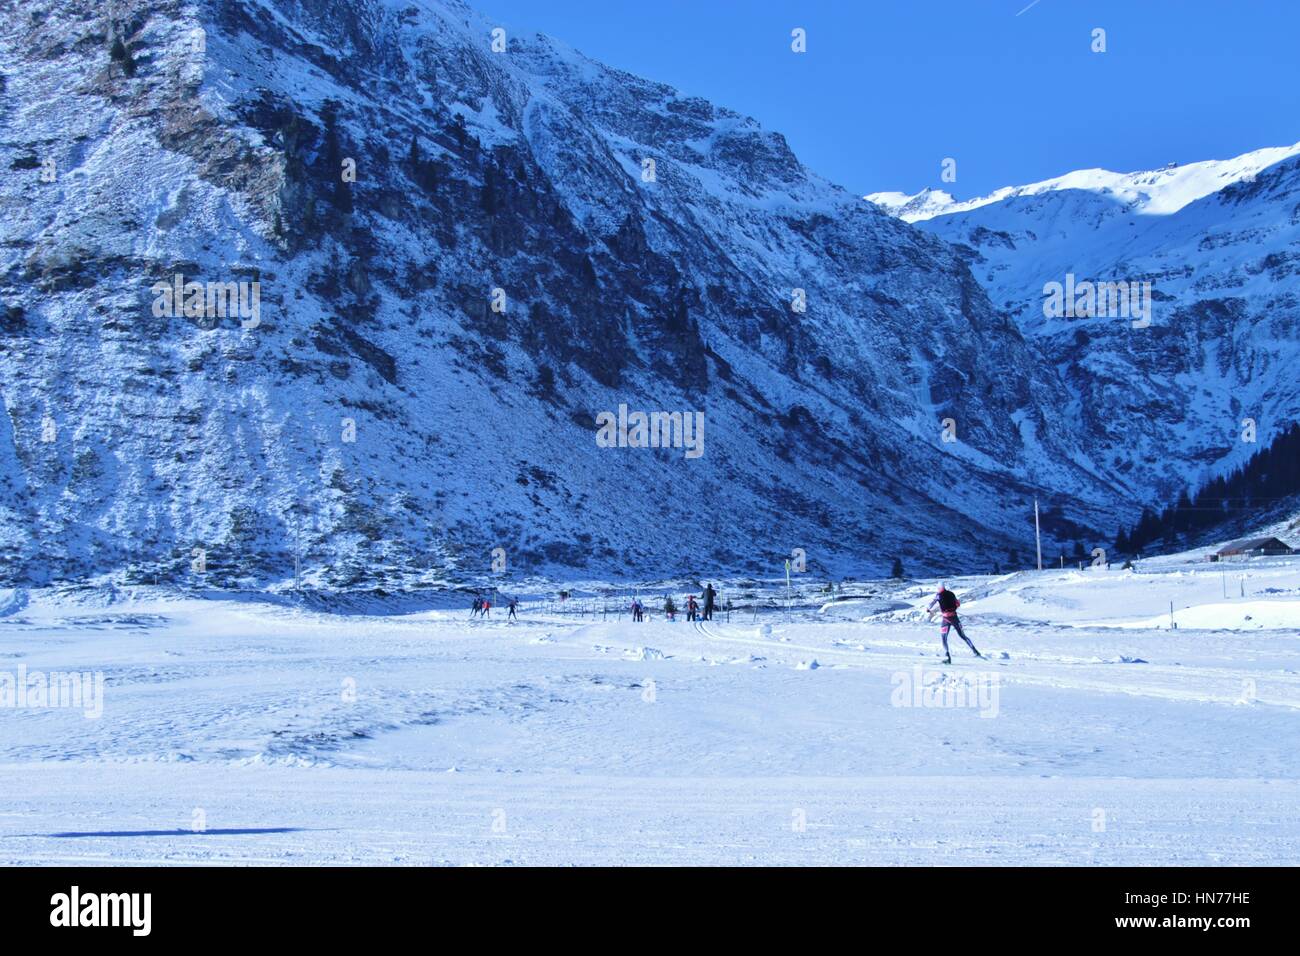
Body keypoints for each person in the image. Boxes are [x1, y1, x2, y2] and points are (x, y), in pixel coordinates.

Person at [926, 584, 980, 664]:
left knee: (944, 638)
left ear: (939, 588)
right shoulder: (951, 593)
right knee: (962, 635)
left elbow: (931, 603)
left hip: (945, 619)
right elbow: (958, 604)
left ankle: (947, 657)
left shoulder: (938, 595)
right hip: (955, 617)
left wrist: (928, 609)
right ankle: (975, 651)